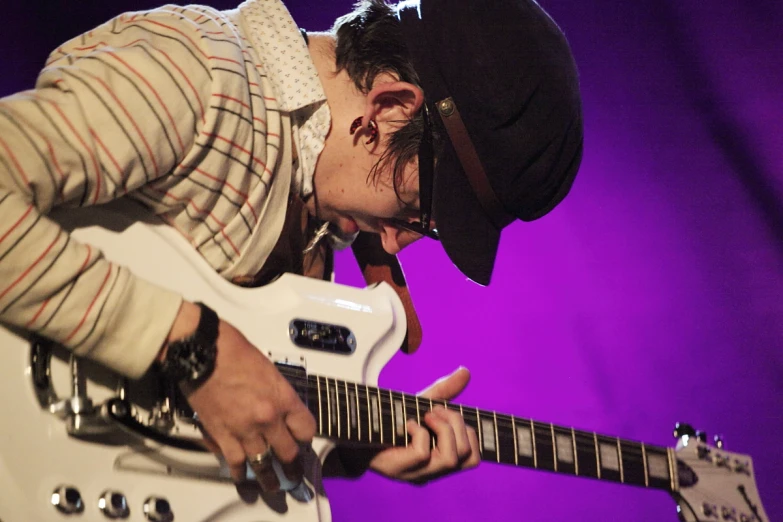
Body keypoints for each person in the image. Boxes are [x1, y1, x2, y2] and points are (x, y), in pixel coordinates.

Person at [0, 0, 582, 494]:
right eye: (420, 210)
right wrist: (189, 345)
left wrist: (340, 442)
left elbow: (187, 411)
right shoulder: (200, 74)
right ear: (388, 109)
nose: (395, 239)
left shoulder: (312, 205)